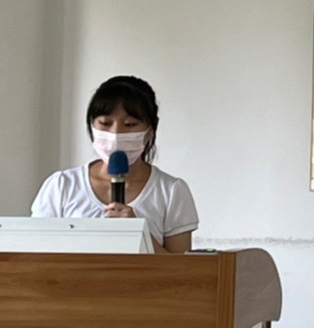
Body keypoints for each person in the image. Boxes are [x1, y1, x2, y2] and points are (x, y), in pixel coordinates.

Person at [31, 75, 198, 254]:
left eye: (130, 124)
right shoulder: (62, 185)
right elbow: (35, 255)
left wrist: (139, 233)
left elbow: (181, 268)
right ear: (92, 126)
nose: (116, 133)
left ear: (150, 130)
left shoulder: (171, 191)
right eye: (105, 123)